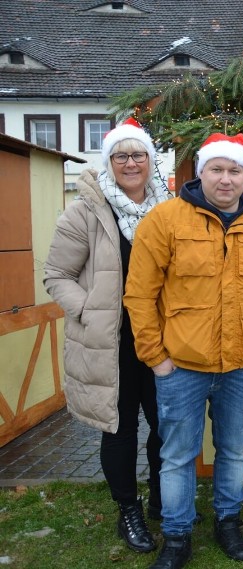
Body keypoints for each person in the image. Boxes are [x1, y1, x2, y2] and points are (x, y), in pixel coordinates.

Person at [124, 132, 243, 569]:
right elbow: (140, 295)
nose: (225, 179)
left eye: (234, 170)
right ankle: (177, 536)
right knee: (177, 454)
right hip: (180, 366)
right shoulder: (165, 221)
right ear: (200, 172)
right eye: (217, 168)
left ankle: (228, 521)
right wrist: (156, 359)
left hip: (241, 365)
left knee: (233, 450)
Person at [44, 118, 171, 554]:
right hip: (109, 343)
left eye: (139, 155)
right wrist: (88, 310)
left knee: (165, 427)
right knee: (118, 430)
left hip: (162, 342)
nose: (131, 163)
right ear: (109, 162)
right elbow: (57, 275)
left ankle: (159, 498)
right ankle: (128, 512)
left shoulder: (170, 210)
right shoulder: (84, 213)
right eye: (121, 155)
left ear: (151, 161)